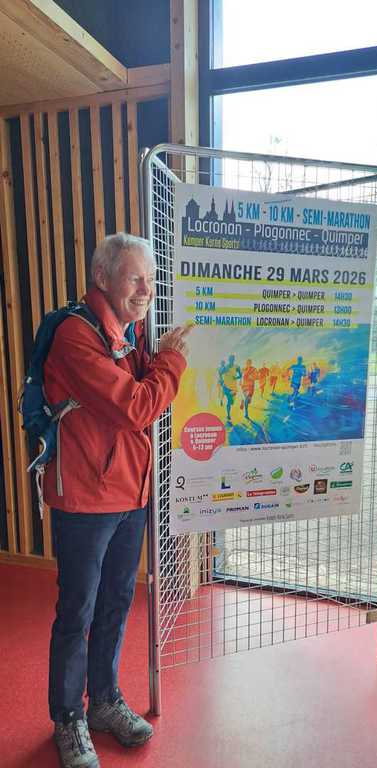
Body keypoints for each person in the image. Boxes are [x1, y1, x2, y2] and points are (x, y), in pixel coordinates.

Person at [43, 233, 190, 768]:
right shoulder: (75, 337)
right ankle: (68, 718)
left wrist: (157, 355)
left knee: (116, 602)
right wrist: (170, 363)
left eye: (150, 279)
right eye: (134, 278)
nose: (146, 289)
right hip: (85, 500)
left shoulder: (129, 335)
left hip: (131, 493)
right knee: (77, 610)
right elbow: (136, 407)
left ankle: (103, 701)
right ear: (102, 278)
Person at [220, 354, 241, 425]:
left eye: (232, 359)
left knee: (232, 401)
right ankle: (228, 415)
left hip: (233, 388)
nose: (231, 360)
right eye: (230, 359)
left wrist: (236, 378)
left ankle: (230, 402)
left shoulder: (237, 367)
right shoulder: (226, 367)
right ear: (228, 360)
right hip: (226, 387)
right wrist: (221, 381)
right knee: (229, 401)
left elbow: (240, 375)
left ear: (234, 360)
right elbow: (220, 373)